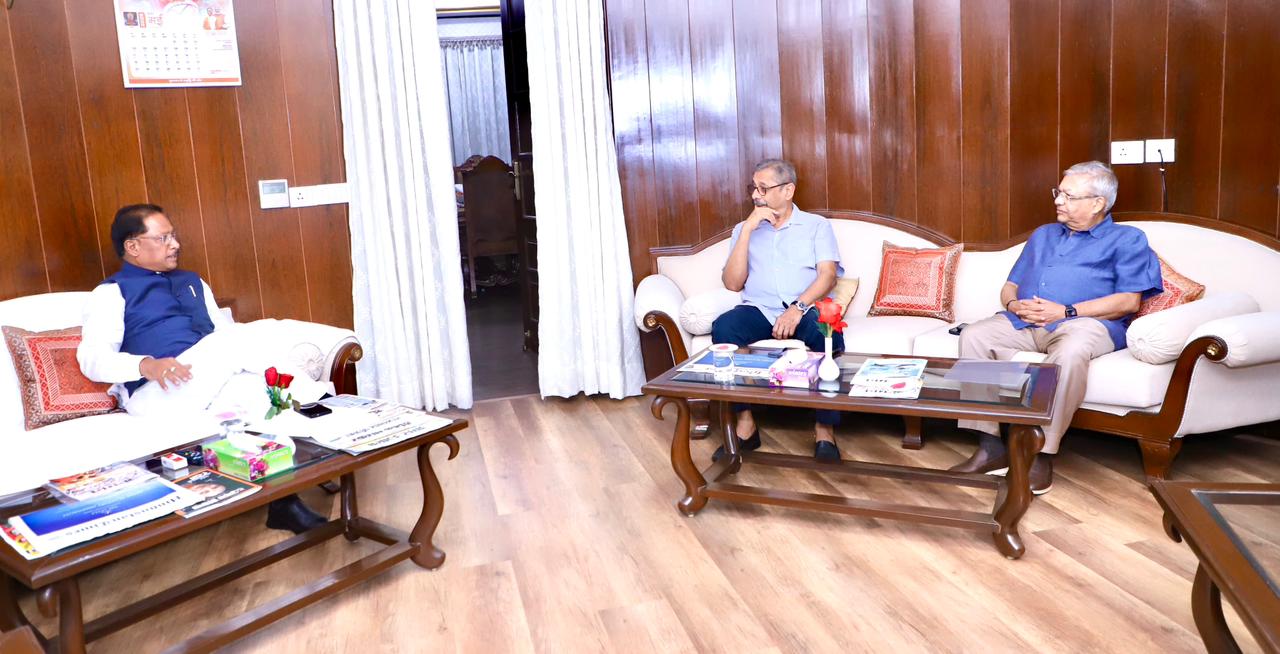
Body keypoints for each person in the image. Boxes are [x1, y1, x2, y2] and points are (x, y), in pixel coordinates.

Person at [77, 204, 328, 534]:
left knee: (258, 396)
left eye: (174, 236)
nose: (175, 245)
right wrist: (145, 365)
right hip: (157, 393)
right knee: (236, 340)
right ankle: (321, 403)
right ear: (133, 246)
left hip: (205, 380)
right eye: (163, 238)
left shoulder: (193, 282)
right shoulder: (111, 293)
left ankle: (284, 502)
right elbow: (92, 359)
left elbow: (221, 337)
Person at [949, 161, 1162, 494]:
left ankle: (1041, 452)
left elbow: (1129, 301)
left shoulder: (1128, 239)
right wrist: (1013, 305)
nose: (1058, 201)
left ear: (1098, 203)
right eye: (1058, 193)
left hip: (1086, 324)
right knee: (975, 336)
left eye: (1068, 196)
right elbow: (1010, 286)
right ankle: (990, 447)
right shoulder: (1043, 235)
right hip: (1025, 321)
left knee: (1071, 352)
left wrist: (1066, 311)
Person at [712, 159, 845, 462]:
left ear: (788, 190)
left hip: (805, 307)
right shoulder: (743, 229)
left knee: (828, 333)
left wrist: (798, 308)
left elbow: (828, 276)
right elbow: (732, 283)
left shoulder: (816, 226)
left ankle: (825, 429)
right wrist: (748, 230)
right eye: (753, 188)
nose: (755, 195)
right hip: (759, 308)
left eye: (763, 188)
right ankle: (746, 425)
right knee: (725, 328)